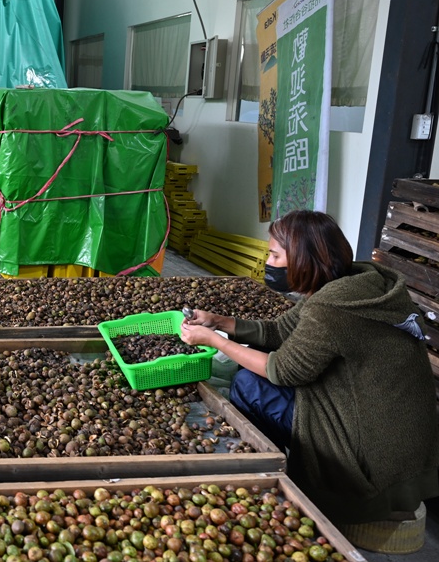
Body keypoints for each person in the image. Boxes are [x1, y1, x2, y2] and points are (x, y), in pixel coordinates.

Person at [180, 210, 439, 525]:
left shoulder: (331, 309)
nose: (269, 262)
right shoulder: (351, 282)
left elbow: (282, 371)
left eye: (275, 254)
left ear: (302, 259)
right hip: (397, 439)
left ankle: (272, 476)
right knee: (253, 370)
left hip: (370, 455)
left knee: (248, 384)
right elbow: (278, 331)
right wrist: (218, 322)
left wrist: (214, 340)